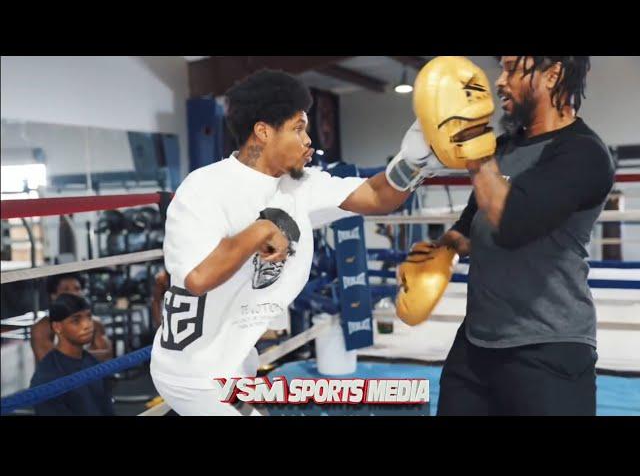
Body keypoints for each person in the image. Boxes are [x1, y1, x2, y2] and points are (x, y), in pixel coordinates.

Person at [149, 69, 463, 416]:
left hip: (236, 362)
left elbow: (377, 195)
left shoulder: (300, 184)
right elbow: (197, 278)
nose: (308, 140)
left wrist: (418, 159)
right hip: (192, 371)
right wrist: (259, 231)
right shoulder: (205, 188)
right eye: (298, 128)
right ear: (263, 132)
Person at [426, 56, 615, 415]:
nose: (500, 81)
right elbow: (468, 229)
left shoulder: (583, 153)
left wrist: (473, 147)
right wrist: (433, 257)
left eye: (512, 68)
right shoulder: (502, 148)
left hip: (548, 349)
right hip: (476, 345)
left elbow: (512, 223)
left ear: (552, 75)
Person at [30, 293, 115, 416]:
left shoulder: (92, 362)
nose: (87, 325)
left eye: (89, 317)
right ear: (57, 327)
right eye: (76, 320)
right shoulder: (47, 376)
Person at [31, 273, 112, 362]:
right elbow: (53, 363)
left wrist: (71, 357)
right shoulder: (42, 327)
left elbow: (107, 355)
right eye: (66, 289)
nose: (73, 293)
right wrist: (87, 357)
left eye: (77, 289)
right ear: (53, 295)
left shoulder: (95, 323)